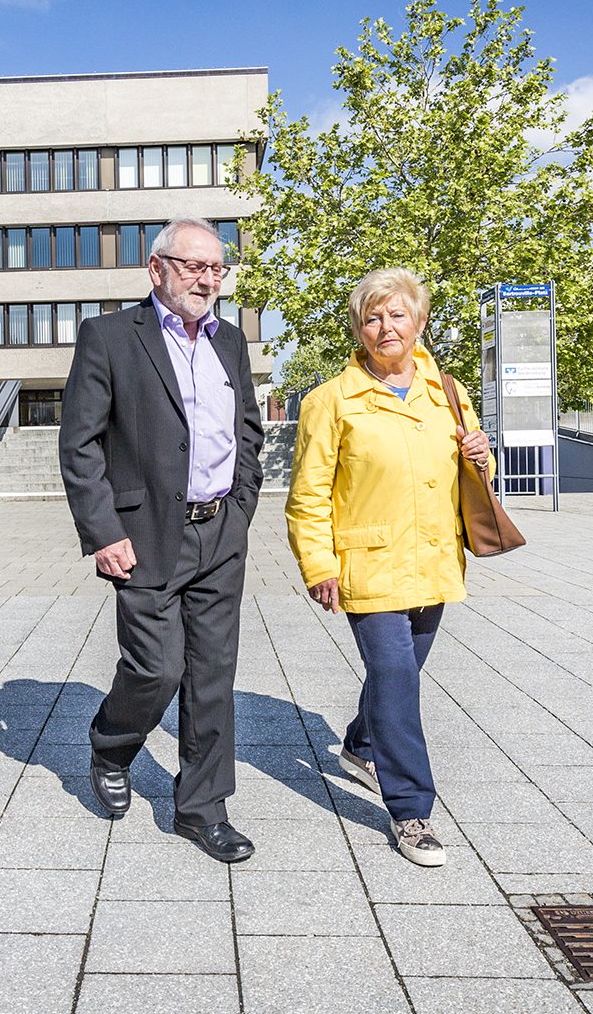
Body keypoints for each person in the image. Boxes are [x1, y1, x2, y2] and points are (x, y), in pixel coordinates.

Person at [60, 216, 265, 863]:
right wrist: (102, 531)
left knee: (212, 676)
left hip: (218, 533)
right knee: (157, 667)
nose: (207, 278)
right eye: (193, 265)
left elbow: (248, 433)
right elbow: (81, 443)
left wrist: (240, 509)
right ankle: (111, 743)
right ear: (157, 269)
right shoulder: (111, 338)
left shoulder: (229, 342)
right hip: (145, 536)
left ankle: (201, 807)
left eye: (216, 268)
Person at [284, 268, 493, 867]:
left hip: (433, 560)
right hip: (368, 564)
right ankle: (411, 811)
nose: (386, 327)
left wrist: (483, 457)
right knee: (398, 677)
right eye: (373, 317)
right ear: (359, 328)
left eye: (398, 315)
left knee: (396, 677)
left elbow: (474, 480)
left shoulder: (447, 392)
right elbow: (308, 495)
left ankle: (359, 742)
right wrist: (318, 565)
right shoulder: (329, 402)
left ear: (420, 322)